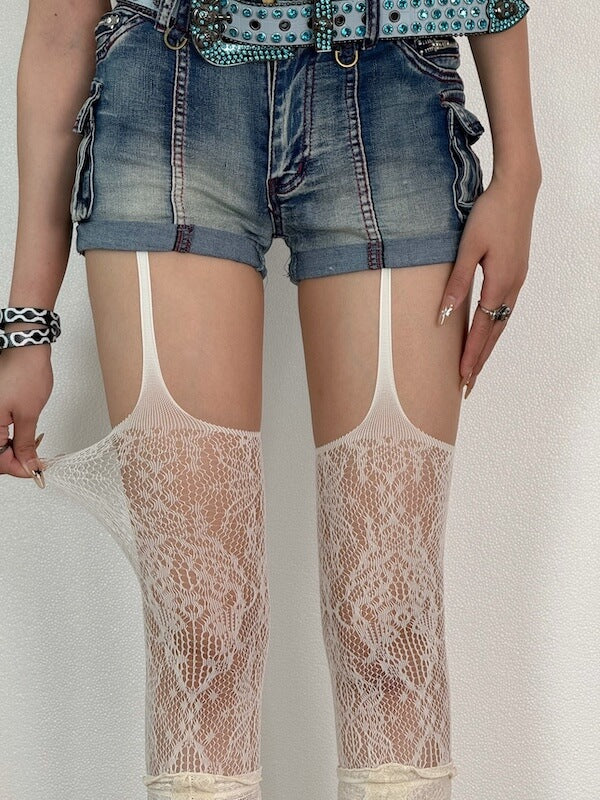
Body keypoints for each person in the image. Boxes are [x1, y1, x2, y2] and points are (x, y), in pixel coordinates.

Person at [0, 1, 541, 798]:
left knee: (389, 630)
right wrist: (27, 326)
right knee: (202, 634)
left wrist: (521, 167)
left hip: (390, 84)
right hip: (167, 91)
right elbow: (57, 28)